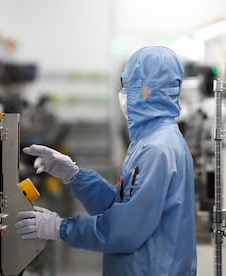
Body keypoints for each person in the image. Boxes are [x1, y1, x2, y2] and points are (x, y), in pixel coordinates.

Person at [15, 46, 197, 275]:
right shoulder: (150, 140)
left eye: (127, 87)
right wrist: (75, 176)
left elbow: (126, 229)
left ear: (146, 91)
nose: (123, 94)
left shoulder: (158, 149)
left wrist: (61, 228)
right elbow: (122, 206)